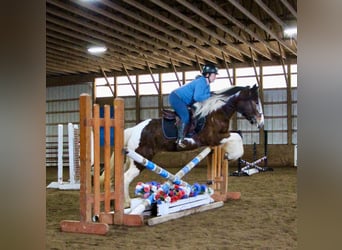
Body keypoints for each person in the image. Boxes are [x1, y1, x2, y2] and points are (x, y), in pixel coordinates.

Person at [169, 63, 218, 148]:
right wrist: (211, 95)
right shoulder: (201, 82)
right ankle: (180, 140)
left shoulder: (207, 84)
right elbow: (198, 97)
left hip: (184, 100)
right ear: (207, 74)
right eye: (214, 75)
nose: (215, 77)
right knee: (185, 116)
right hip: (176, 98)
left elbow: (205, 98)